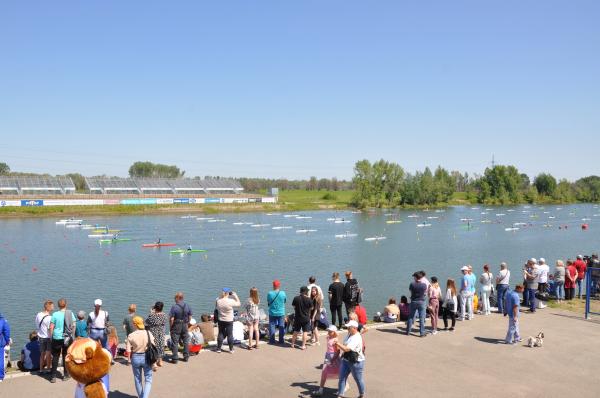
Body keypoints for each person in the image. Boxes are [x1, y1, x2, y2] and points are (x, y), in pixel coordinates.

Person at [126, 316, 154, 398]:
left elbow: (128, 350)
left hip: (135, 357)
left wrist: (128, 360)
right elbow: (153, 345)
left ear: (135, 324)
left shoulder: (131, 335)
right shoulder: (148, 333)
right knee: (148, 379)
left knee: (137, 380)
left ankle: (142, 397)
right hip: (146, 357)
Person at [336, 320, 365, 398]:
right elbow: (345, 344)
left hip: (356, 362)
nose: (347, 328)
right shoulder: (349, 334)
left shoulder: (356, 337)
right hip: (346, 360)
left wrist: (337, 343)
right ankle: (340, 394)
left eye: (349, 327)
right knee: (342, 377)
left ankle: (361, 394)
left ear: (355, 328)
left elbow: (346, 349)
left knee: (358, 379)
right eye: (347, 327)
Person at [49, 298, 76, 383]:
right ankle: (65, 375)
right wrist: (72, 336)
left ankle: (53, 376)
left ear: (58, 305)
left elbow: (51, 327)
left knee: (55, 356)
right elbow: (74, 325)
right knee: (65, 356)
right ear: (66, 305)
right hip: (67, 338)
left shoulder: (55, 314)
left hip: (57, 337)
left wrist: (51, 337)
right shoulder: (70, 313)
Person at [315, 325, 345, 397]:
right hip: (328, 357)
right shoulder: (328, 337)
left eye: (330, 331)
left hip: (334, 358)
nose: (328, 332)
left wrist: (333, 360)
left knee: (340, 373)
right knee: (324, 372)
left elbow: (338, 352)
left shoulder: (335, 340)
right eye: (328, 331)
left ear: (334, 332)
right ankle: (320, 390)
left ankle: (343, 388)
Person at [215, 288, 241, 353]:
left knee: (220, 333)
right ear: (228, 293)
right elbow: (239, 304)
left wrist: (221, 296)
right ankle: (231, 349)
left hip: (221, 319)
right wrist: (235, 296)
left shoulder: (218, 300)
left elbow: (217, 301)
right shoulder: (230, 301)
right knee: (230, 334)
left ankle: (218, 349)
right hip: (229, 320)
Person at [169, 292, 192, 363]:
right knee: (185, 341)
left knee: (175, 342)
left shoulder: (174, 307)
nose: (174, 299)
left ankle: (175, 358)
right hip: (185, 324)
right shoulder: (187, 305)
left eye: (175, 298)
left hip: (176, 325)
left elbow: (172, 319)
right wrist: (187, 323)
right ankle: (186, 357)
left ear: (177, 298)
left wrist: (171, 326)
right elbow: (190, 316)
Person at [145, 302, 168, 368]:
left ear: (155, 308)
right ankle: (160, 361)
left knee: (154, 347)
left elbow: (147, 322)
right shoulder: (164, 315)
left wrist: (151, 312)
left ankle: (154, 363)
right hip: (161, 332)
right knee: (160, 346)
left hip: (154, 333)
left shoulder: (152, 315)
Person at [291, 286, 313, 350]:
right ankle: (303, 345)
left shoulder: (296, 298)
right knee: (305, 332)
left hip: (298, 317)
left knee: (296, 331)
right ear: (305, 291)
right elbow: (311, 308)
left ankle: (292, 344)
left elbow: (293, 306)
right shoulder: (309, 299)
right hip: (306, 318)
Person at [35, 299, 54, 374]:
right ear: (48, 307)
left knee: (42, 354)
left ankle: (41, 369)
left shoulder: (39, 314)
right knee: (48, 354)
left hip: (41, 337)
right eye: (52, 306)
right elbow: (50, 329)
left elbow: (37, 324)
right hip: (48, 337)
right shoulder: (50, 318)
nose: (53, 307)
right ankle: (48, 369)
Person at [406, 272, 428, 337]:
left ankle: (408, 331)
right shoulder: (424, 285)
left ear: (416, 277)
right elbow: (425, 293)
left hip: (414, 301)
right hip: (422, 302)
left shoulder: (412, 284)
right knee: (422, 318)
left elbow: (410, 291)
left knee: (411, 317)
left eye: (414, 277)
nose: (413, 278)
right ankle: (422, 333)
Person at [267, 280, 287, 345]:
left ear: (273, 286)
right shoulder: (283, 293)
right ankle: (281, 340)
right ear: (279, 285)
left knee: (272, 326)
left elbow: (268, 301)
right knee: (281, 326)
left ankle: (272, 340)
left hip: (272, 312)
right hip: (281, 312)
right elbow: (284, 301)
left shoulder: (270, 293)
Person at [0, 311, 10, 382]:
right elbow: (7, 332)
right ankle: (0, 376)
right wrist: (7, 341)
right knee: (0, 359)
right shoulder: (3, 321)